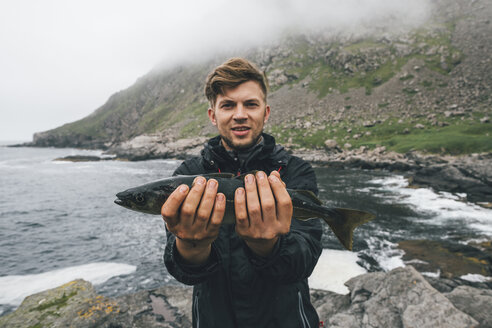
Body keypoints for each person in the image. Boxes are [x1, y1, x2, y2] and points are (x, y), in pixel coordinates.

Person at [162, 57, 323, 328]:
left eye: (250, 104)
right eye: (228, 105)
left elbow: (304, 261)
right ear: (213, 115)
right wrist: (192, 246)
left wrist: (269, 246)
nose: (240, 114)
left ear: (266, 112)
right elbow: (183, 270)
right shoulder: (186, 176)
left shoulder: (297, 172)